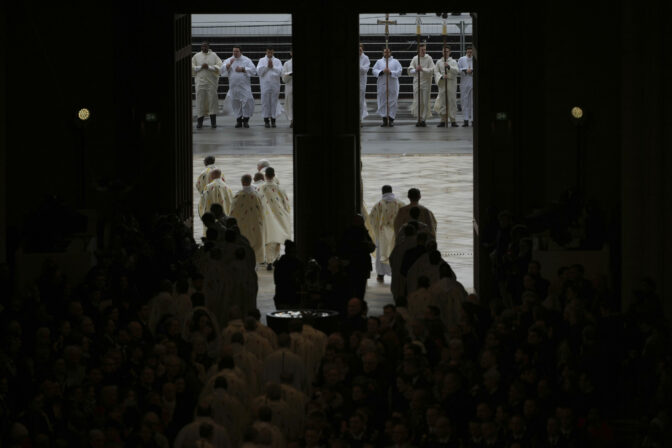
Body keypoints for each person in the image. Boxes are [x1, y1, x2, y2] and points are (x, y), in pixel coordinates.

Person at [368, 185, 404, 282]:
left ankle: (380, 275)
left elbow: (371, 220)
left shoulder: (378, 205)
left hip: (382, 234)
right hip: (396, 234)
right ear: (391, 191)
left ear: (382, 192)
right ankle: (396, 274)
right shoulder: (400, 203)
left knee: (381, 253)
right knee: (395, 253)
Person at [258, 167, 291, 269]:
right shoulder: (280, 188)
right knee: (277, 237)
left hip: (266, 216)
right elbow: (286, 203)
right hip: (279, 215)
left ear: (265, 175)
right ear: (274, 175)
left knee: (268, 238)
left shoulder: (260, 188)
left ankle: (269, 261)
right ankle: (275, 258)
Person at [230, 174, 265, 264]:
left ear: (242, 182)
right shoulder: (257, 195)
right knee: (255, 242)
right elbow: (261, 210)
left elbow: (232, 212)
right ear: (250, 181)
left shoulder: (238, 196)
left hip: (241, 225)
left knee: (243, 243)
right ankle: (255, 262)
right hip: (255, 224)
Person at [221, 45, 256, 128]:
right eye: (234, 51)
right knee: (235, 103)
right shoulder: (229, 60)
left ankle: (246, 120)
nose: (235, 53)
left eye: (237, 51)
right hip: (233, 87)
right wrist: (228, 66)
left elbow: (253, 70)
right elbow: (221, 70)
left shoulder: (247, 60)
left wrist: (243, 69)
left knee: (247, 101)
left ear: (241, 52)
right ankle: (238, 121)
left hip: (244, 86)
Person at [192, 42, 222, 129]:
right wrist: (201, 67)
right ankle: (200, 122)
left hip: (211, 83)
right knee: (200, 101)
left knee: (212, 101)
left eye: (205, 46)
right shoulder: (196, 56)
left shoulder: (214, 55)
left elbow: (219, 65)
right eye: (202, 46)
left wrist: (209, 67)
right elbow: (192, 67)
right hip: (200, 83)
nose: (204, 47)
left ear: (208, 47)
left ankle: (213, 123)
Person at [372, 47, 403, 127]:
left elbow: (399, 71)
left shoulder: (395, 62)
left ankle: (391, 119)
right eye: (385, 52)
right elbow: (374, 70)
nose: (386, 54)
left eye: (388, 52)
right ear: (383, 53)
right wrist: (382, 72)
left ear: (390, 52)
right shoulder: (379, 62)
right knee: (383, 101)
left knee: (392, 102)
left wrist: (390, 72)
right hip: (382, 84)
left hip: (392, 84)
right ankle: (384, 119)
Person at [408, 43, 435, 127]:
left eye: (424, 49)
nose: (423, 51)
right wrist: (416, 70)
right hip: (417, 82)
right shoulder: (415, 58)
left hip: (426, 82)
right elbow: (410, 69)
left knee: (425, 101)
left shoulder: (429, 58)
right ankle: (418, 118)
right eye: (422, 50)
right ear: (418, 50)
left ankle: (424, 119)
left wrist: (423, 69)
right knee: (418, 101)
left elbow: (432, 69)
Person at [433, 45, 460, 127]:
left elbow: (456, 71)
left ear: (450, 52)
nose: (445, 53)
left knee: (452, 101)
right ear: (442, 52)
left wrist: (449, 67)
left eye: (447, 51)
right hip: (442, 84)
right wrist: (441, 76)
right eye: (444, 51)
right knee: (442, 101)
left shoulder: (453, 62)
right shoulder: (439, 62)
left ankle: (453, 120)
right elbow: (436, 72)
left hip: (451, 83)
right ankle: (443, 120)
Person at [257, 47, 283, 128]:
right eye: (268, 52)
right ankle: (266, 120)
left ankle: (273, 120)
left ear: (273, 52)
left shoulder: (277, 61)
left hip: (275, 85)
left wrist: (273, 67)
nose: (270, 54)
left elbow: (281, 72)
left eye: (271, 52)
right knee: (265, 103)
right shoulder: (261, 60)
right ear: (266, 52)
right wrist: (267, 67)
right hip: (265, 85)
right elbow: (258, 72)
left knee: (274, 103)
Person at [458, 46, 474, 127]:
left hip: (472, 82)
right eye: (468, 52)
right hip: (464, 83)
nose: (469, 53)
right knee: (464, 102)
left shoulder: (474, 59)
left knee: (472, 102)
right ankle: (466, 119)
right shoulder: (461, 59)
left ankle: (473, 119)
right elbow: (458, 69)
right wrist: (465, 70)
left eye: (471, 52)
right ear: (466, 52)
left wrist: (471, 70)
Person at [359, 43, 370, 126]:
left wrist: (359, 66)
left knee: (360, 101)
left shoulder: (365, 58)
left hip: (361, 82)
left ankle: (360, 119)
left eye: (360, 49)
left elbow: (365, 70)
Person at [282, 48, 293, 128]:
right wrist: (289, 75)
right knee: (290, 103)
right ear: (290, 53)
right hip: (290, 85)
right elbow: (283, 78)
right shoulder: (287, 63)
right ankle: (292, 120)